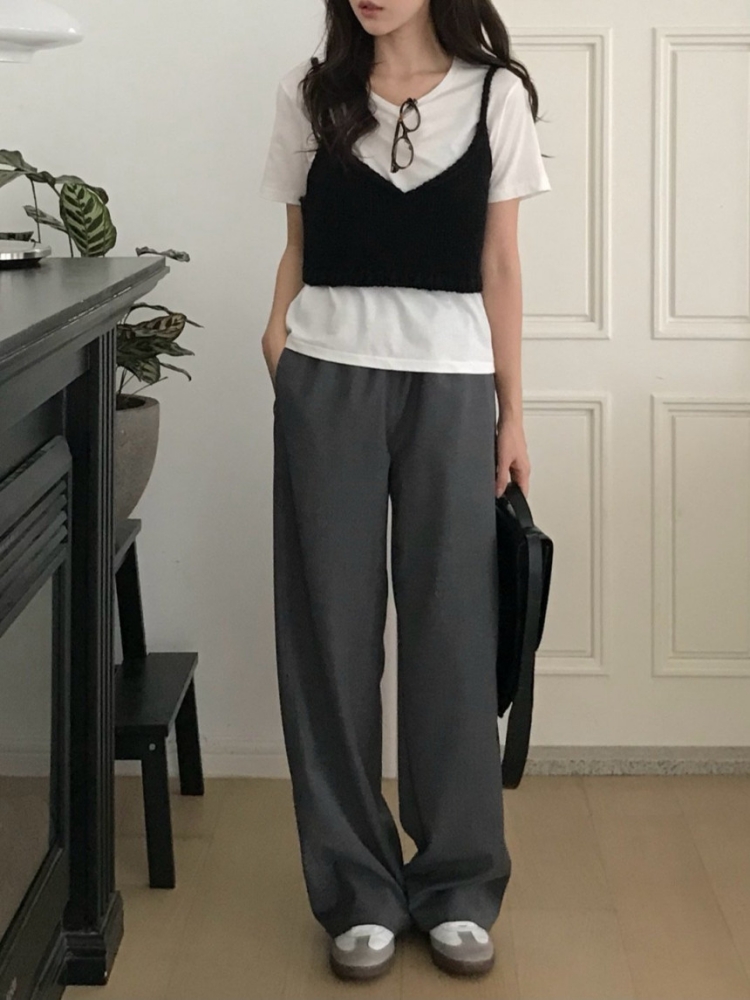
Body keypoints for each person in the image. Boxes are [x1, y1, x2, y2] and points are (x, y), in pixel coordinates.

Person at [259, 0, 551, 982]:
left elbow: (501, 261)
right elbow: (298, 245)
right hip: (326, 378)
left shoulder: (497, 96)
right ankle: (358, 891)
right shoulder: (311, 96)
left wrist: (513, 413)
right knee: (330, 636)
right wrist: (279, 341)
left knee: (453, 633)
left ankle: (458, 884)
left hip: (455, 386)